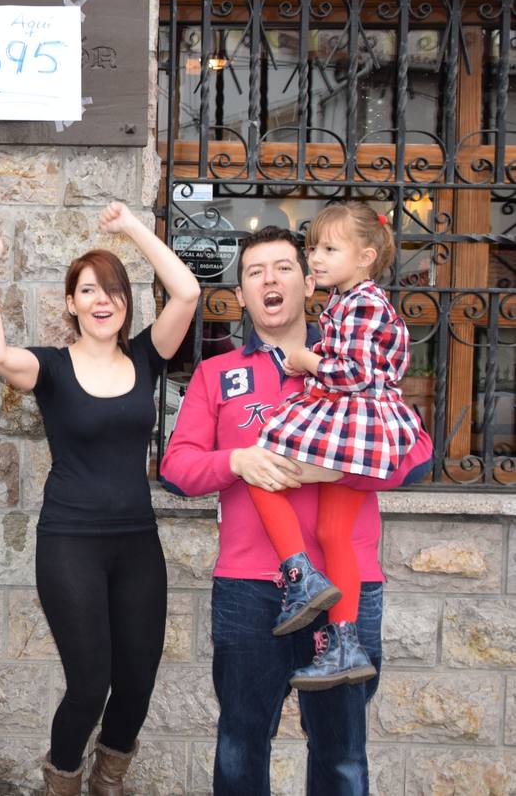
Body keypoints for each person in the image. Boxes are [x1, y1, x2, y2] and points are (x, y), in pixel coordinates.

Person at [159, 226, 433, 795]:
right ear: (241, 295)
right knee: (241, 743)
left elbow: (416, 455)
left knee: (341, 754)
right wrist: (238, 461)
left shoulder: (353, 363)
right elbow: (177, 469)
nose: (270, 280)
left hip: (347, 588)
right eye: (255, 272)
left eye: (284, 267)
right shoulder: (216, 374)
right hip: (249, 589)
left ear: (309, 283)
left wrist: (333, 470)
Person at [0, 203, 200, 796]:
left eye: (113, 290)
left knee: (137, 681)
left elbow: (188, 292)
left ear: (126, 303)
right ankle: (63, 779)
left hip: (137, 543)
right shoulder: (50, 368)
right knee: (90, 683)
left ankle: (107, 779)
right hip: (70, 542)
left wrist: (132, 229)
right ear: (70, 303)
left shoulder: (146, 357)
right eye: (88, 289)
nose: (102, 300)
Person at [246, 204, 422, 689]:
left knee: (264, 469)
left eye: (329, 249)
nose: (316, 259)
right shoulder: (351, 300)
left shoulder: (362, 303)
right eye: (313, 248)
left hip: (354, 423)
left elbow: (355, 374)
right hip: (356, 425)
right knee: (332, 530)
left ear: (365, 257)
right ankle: (345, 644)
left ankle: (301, 579)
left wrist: (307, 359)